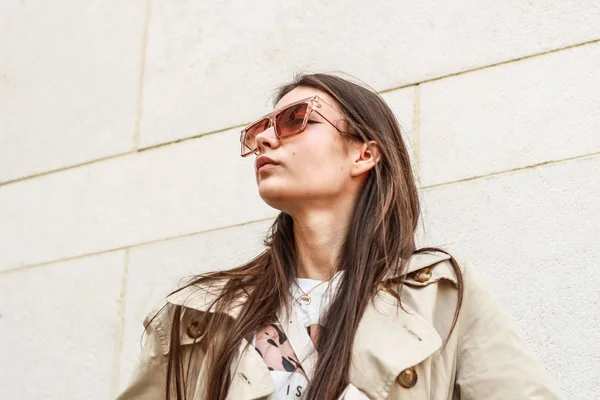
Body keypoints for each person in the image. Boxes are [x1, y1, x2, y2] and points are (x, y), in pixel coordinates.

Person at [117, 73, 563, 400]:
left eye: (296, 120)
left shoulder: (441, 296)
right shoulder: (199, 316)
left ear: (364, 153)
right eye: (260, 131)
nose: (267, 140)